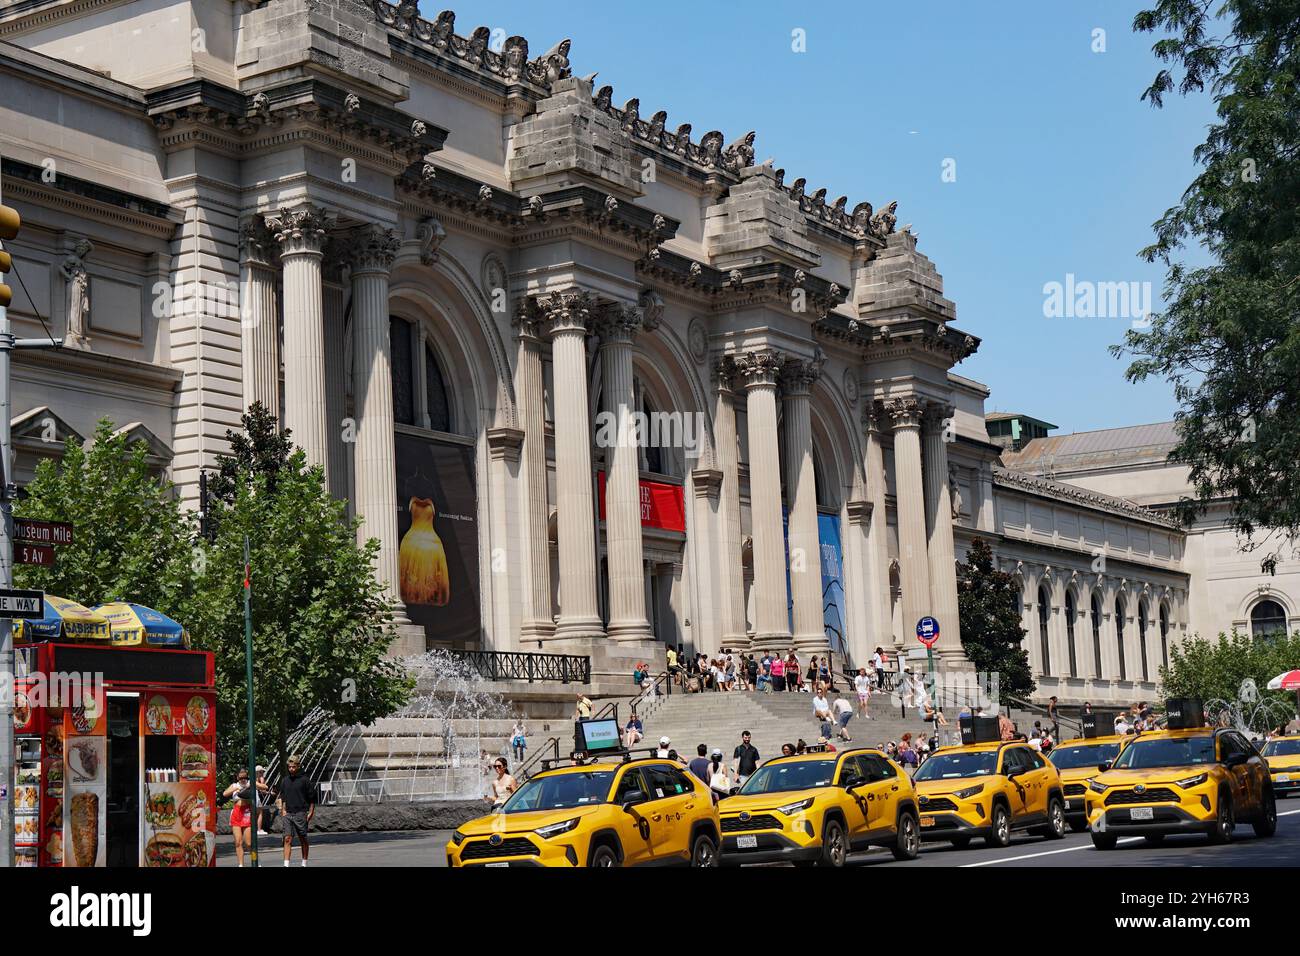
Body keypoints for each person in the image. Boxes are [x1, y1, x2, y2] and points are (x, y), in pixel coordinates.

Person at [223, 768, 268, 867]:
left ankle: (256, 861)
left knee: (248, 843)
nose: (243, 779)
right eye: (241, 777)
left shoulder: (251, 783)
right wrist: (235, 789)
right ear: (237, 777)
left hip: (247, 813)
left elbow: (265, 787)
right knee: (238, 842)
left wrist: (254, 784)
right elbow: (225, 793)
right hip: (236, 813)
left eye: (245, 777)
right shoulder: (235, 785)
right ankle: (241, 864)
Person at [277, 754, 317, 867]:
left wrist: (311, 811)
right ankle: (286, 864)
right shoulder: (285, 780)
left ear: (298, 766)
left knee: (302, 838)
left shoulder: (304, 780)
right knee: (287, 839)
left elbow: (312, 797)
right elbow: (283, 797)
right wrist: (283, 811)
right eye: (289, 767)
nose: (291, 769)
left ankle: (304, 863)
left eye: (293, 767)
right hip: (288, 813)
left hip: (301, 812)